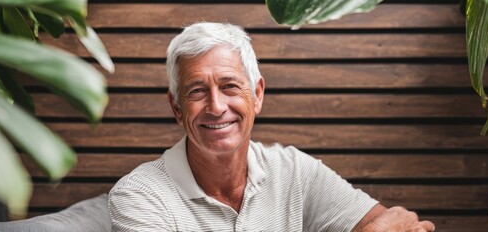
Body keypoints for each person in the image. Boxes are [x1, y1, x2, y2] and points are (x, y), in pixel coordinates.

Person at [107, 22, 435, 231]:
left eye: (230, 86)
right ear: (177, 107)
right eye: (197, 91)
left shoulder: (294, 170)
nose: (217, 106)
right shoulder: (138, 196)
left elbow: (395, 224)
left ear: (258, 95)